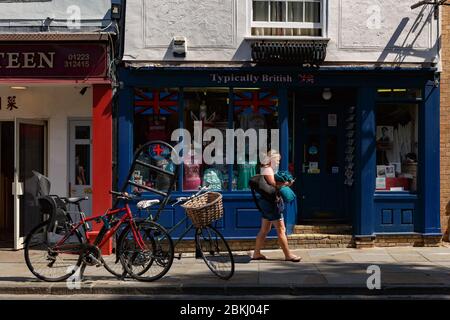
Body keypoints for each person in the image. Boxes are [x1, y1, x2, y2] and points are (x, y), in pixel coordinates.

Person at [252, 150, 301, 262]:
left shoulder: (267, 169)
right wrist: (287, 184)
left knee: (265, 229)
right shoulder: (268, 170)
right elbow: (273, 185)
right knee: (281, 229)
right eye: (277, 160)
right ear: (272, 159)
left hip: (266, 202)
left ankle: (256, 253)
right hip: (270, 203)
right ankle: (288, 255)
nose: (278, 162)